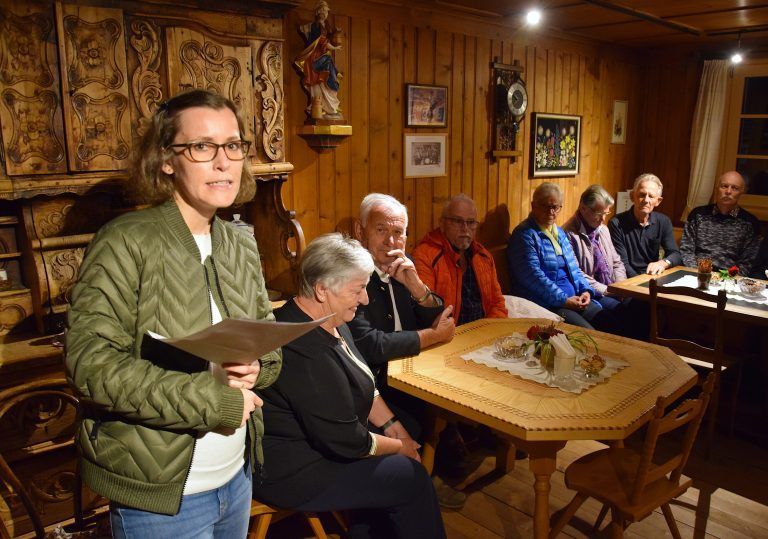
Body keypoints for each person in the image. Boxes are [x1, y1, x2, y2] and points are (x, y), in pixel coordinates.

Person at [66, 90, 281, 537]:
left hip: (236, 477)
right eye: (202, 147)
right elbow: (91, 366)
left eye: (233, 145)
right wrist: (216, 401)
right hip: (161, 498)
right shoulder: (126, 240)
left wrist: (257, 365)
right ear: (166, 159)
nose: (223, 162)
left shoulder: (240, 242)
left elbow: (268, 342)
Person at [253, 233, 446, 538]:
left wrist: (394, 426)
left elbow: (362, 379)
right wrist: (400, 447)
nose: (365, 299)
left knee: (409, 430)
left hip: (330, 443)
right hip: (296, 469)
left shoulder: (331, 319)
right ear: (322, 289)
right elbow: (347, 441)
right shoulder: (302, 349)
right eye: (358, 289)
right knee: (411, 477)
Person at [348, 193, 462, 509]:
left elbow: (441, 318)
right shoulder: (350, 273)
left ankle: (428, 478)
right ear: (360, 231)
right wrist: (432, 336)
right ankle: (413, 490)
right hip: (372, 389)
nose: (391, 241)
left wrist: (416, 286)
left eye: (398, 232)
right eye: (381, 230)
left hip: (412, 376)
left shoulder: (402, 266)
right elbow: (370, 344)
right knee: (420, 419)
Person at [508, 183, 604, 330]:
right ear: (533, 205)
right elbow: (534, 278)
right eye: (546, 207)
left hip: (574, 299)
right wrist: (564, 300)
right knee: (589, 334)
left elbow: (574, 268)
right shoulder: (524, 235)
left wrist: (585, 290)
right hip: (547, 305)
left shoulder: (559, 232)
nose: (551, 212)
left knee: (610, 322)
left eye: (556, 207)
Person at [413, 194, 508, 325]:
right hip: (448, 332)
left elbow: (497, 304)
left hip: (483, 329)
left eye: (471, 222)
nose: (465, 228)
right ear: (442, 224)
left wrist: (489, 330)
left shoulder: (483, 256)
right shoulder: (425, 255)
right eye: (457, 221)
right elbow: (425, 312)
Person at [680, 171, 762, 275]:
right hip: (696, 274)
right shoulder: (697, 215)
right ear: (716, 189)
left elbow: (747, 263)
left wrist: (725, 277)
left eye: (735, 188)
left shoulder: (750, 223)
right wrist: (699, 273)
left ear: (742, 192)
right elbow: (686, 250)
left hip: (730, 279)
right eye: (724, 186)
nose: (728, 191)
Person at [562, 185, 627, 307]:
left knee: (640, 304)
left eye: (606, 213)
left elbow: (616, 262)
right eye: (599, 213)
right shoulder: (568, 234)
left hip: (613, 289)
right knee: (621, 310)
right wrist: (608, 290)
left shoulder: (603, 229)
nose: (603, 219)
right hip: (591, 293)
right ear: (583, 208)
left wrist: (621, 286)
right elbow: (577, 273)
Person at [609, 173, 681, 277]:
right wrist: (640, 281)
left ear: (658, 201)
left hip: (652, 276)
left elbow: (675, 254)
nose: (646, 200)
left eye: (651, 196)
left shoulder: (663, 221)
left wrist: (662, 263)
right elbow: (621, 263)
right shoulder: (616, 223)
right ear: (632, 196)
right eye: (642, 195)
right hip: (627, 278)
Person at [295, 0, 342, 119]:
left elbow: (328, 38)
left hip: (322, 56)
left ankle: (330, 107)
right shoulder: (315, 27)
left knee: (329, 74)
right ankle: (322, 108)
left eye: (326, 12)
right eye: (323, 11)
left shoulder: (326, 26)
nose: (325, 14)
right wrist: (334, 47)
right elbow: (322, 41)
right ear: (318, 12)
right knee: (320, 81)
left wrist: (336, 32)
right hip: (315, 58)